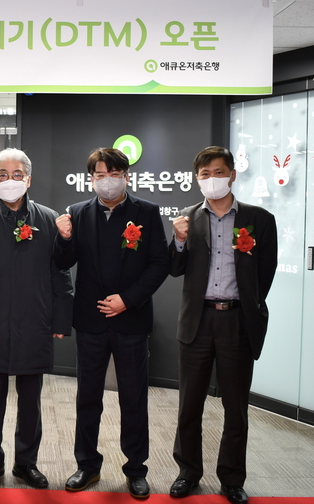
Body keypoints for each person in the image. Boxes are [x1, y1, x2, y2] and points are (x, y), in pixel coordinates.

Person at [54, 147, 169, 499]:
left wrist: (128, 300)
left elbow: (159, 263)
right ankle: (87, 465)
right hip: (91, 320)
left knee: (133, 399)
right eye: (100, 175)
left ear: (126, 177)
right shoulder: (77, 213)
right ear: (91, 179)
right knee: (87, 398)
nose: (107, 181)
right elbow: (63, 262)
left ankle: (136, 469)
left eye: (114, 174)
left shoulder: (146, 212)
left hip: (131, 320)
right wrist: (64, 237)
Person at [0, 148, 73, 489]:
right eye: (3, 175)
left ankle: (26, 463)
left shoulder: (48, 219)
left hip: (34, 320)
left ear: (29, 179)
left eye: (17, 174)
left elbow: (60, 272)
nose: (10, 180)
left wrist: (60, 320)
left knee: (31, 402)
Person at [168, 146, 278, 504]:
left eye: (218, 172)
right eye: (205, 174)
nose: (212, 179)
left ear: (232, 174)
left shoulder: (259, 219)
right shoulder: (187, 218)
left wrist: (246, 305)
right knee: (190, 405)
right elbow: (175, 268)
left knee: (235, 406)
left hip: (237, 321)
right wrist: (179, 241)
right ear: (197, 179)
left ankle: (231, 478)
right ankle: (188, 472)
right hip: (197, 321)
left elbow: (266, 272)